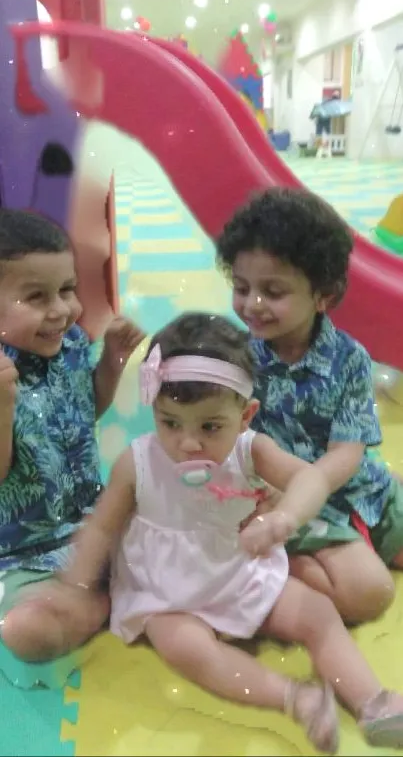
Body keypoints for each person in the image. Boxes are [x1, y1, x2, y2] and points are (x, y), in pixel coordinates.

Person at [23, 313, 403, 752]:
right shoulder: (139, 461)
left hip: (238, 569)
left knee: (317, 612)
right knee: (184, 647)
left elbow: (311, 479)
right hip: (166, 591)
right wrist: (78, 583)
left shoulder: (251, 450)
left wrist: (284, 518)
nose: (187, 443)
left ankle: (372, 700)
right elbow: (103, 526)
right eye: (169, 422)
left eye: (209, 427)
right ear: (155, 411)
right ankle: (293, 697)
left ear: (246, 415)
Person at [216, 186, 403, 625]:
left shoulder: (349, 358)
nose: (252, 304)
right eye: (242, 288)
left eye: (273, 291)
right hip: (287, 506)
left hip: (360, 490)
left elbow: (347, 453)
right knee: (370, 594)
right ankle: (283, 564)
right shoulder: (235, 357)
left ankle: (363, 542)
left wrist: (314, 487)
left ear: (323, 295)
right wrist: (285, 512)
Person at [0, 208, 143, 659]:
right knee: (27, 633)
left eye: (66, 290)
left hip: (95, 524)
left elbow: (83, 414)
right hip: (24, 556)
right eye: (36, 297)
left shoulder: (70, 345)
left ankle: (116, 587)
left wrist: (112, 363)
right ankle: (108, 601)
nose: (61, 310)